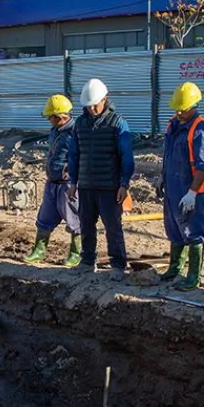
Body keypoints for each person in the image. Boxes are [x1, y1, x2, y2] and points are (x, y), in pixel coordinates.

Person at [67, 78, 134, 281]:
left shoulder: (117, 124)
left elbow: (126, 157)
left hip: (110, 186)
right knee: (86, 224)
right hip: (87, 185)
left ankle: (118, 264)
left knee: (112, 226)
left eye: (95, 104)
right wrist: (73, 182)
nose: (92, 109)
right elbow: (74, 155)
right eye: (88, 106)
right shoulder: (80, 124)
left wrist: (124, 184)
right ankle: (87, 261)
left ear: (105, 99)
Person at [155, 82, 204, 291]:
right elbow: (169, 156)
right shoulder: (173, 125)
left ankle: (193, 276)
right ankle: (175, 268)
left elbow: (203, 165)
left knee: (194, 230)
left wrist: (192, 192)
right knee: (174, 228)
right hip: (173, 186)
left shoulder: (200, 129)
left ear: (194, 105)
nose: (180, 112)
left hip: (194, 190)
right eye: (177, 108)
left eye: (184, 109)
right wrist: (162, 178)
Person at [22, 94, 82, 267]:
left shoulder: (75, 133)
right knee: (45, 217)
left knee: (74, 219)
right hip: (52, 182)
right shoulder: (56, 131)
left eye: (50, 117)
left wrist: (73, 178)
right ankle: (39, 250)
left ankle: (76, 253)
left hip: (67, 184)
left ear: (59, 117)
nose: (48, 120)